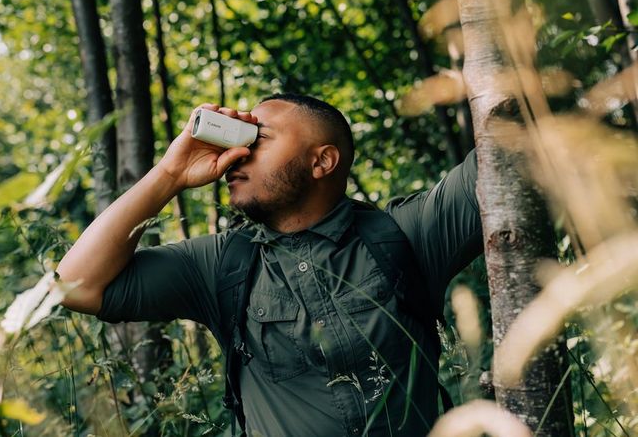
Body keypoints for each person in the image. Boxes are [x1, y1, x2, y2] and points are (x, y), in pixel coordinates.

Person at [58, 93, 482, 436]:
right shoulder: (220, 264)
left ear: (323, 161)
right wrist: (171, 171)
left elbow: (515, 148)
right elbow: (73, 286)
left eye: (257, 140)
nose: (237, 154)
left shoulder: (407, 233)